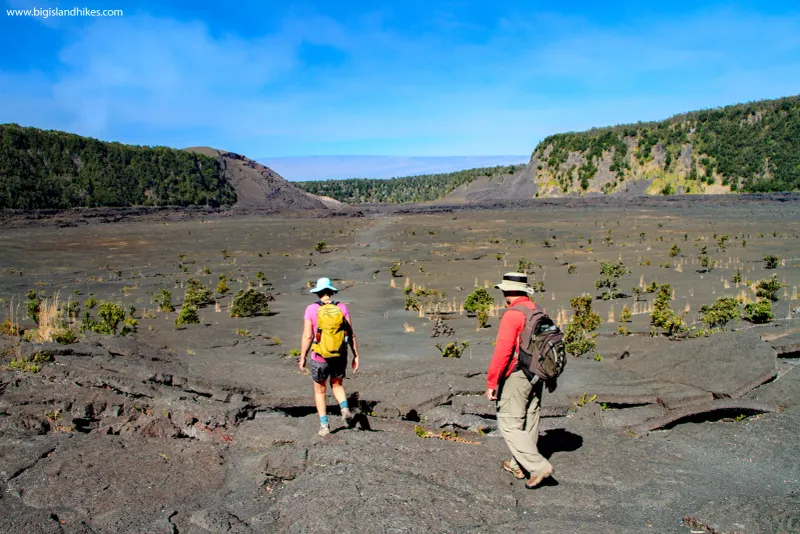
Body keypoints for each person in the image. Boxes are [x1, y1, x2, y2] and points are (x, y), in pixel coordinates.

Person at [485, 272, 554, 489]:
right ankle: (519, 465)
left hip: (518, 374)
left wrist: (492, 382)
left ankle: (538, 467)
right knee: (530, 419)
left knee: (509, 423)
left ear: (507, 291)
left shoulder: (512, 314)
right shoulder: (537, 310)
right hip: (537, 373)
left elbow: (504, 350)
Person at [299, 277, 360, 437]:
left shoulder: (311, 309)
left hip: (320, 356)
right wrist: (356, 355)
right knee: (337, 384)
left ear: (318, 293)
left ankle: (324, 426)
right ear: (332, 292)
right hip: (339, 355)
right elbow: (350, 334)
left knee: (320, 391)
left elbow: (307, 336)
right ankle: (344, 409)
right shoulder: (341, 307)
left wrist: (303, 356)